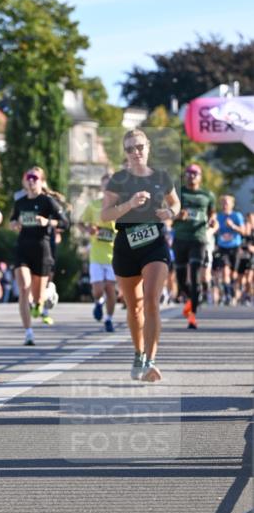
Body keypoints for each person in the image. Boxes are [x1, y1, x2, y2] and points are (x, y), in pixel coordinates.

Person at [101, 129, 180, 381]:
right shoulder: (118, 180)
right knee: (134, 307)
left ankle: (150, 360)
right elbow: (105, 215)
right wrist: (129, 205)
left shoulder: (161, 177)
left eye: (139, 147)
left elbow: (176, 203)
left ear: (148, 148)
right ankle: (138, 353)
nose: (135, 152)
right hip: (126, 245)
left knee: (151, 301)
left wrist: (171, 213)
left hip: (154, 244)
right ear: (125, 153)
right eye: (130, 148)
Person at [10, 167, 65, 345]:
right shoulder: (20, 202)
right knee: (24, 289)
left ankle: (47, 295)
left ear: (42, 181)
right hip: (23, 249)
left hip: (42, 249)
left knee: (37, 297)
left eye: (35, 178)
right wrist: (13, 224)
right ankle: (28, 332)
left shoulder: (48, 202)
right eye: (29, 177)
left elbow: (66, 223)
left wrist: (47, 221)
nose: (31, 181)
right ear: (24, 182)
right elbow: (13, 219)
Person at [173, 164, 216, 329]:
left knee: (196, 275)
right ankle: (191, 300)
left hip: (198, 239)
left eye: (195, 173)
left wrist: (212, 221)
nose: (191, 176)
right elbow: (167, 213)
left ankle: (193, 316)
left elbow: (212, 214)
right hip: (180, 238)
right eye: (189, 173)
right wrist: (177, 215)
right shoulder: (179, 193)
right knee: (181, 279)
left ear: (200, 176)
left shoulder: (207, 195)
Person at [80, 173, 117, 333]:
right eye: (105, 185)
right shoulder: (94, 205)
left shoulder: (121, 206)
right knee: (98, 289)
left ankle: (109, 319)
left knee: (110, 288)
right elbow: (81, 223)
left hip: (114, 255)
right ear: (102, 187)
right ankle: (98, 302)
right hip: (96, 254)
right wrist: (89, 229)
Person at [214, 195, 246, 305]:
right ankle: (228, 295)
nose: (224, 205)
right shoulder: (218, 216)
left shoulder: (237, 216)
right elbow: (215, 229)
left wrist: (232, 226)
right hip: (223, 247)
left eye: (227, 203)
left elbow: (244, 231)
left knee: (234, 274)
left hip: (235, 247)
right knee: (225, 271)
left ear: (232, 204)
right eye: (223, 203)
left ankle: (233, 291)